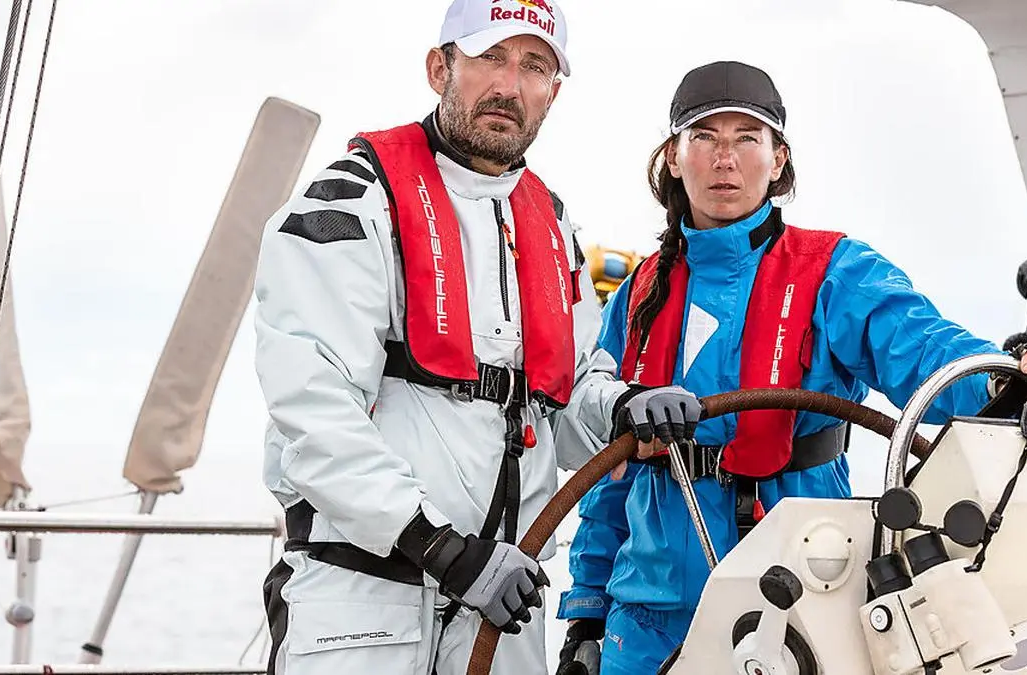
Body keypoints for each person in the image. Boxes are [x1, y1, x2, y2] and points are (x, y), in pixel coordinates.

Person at [553, 60, 1027, 675]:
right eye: (705, 138)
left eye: (747, 138)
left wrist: (1000, 381)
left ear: (778, 160)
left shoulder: (836, 272)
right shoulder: (639, 292)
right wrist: (587, 613)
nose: (726, 159)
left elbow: (922, 348)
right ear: (674, 157)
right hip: (646, 614)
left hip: (796, 597)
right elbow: (609, 469)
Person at [251, 2, 699, 673]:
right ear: (440, 68)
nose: (509, 85)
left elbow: (565, 401)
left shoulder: (551, 223)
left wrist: (623, 406)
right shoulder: (351, 199)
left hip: (502, 612)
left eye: (534, 66)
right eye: (491, 57)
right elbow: (314, 411)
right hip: (363, 605)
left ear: (554, 91)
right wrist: (438, 547)